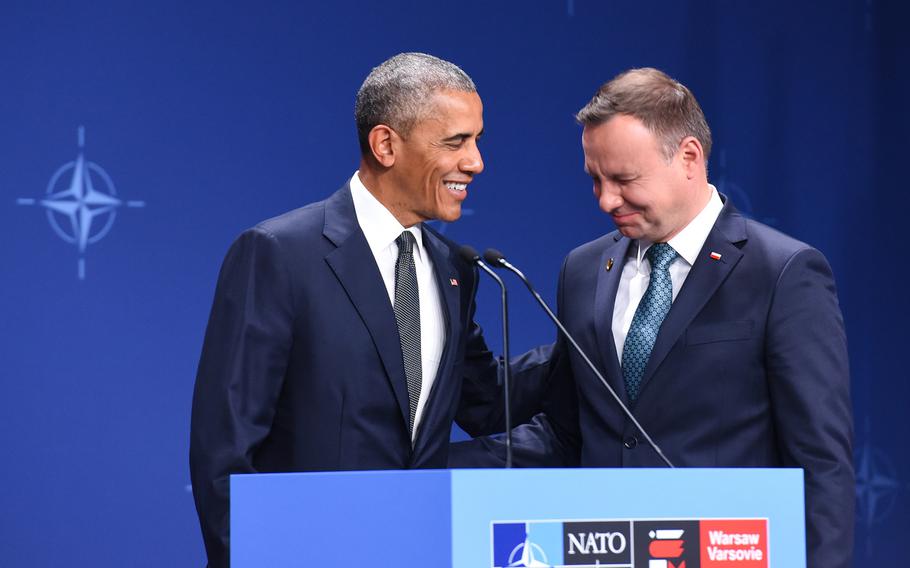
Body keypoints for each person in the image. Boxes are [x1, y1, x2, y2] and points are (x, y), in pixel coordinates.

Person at [452, 68, 854, 568]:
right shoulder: (582, 269)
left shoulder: (782, 272)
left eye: (623, 179)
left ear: (688, 157)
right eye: (595, 179)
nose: (605, 200)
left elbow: (820, 463)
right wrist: (428, 468)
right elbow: (567, 429)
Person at [190, 52, 545, 567]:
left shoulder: (455, 269)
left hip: (418, 551)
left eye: (477, 140)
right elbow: (225, 447)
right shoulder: (280, 253)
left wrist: (597, 341)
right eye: (455, 142)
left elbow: (484, 402)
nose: (475, 162)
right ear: (385, 145)